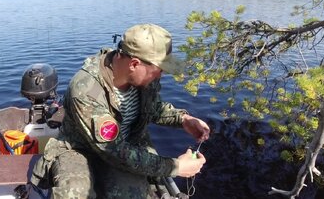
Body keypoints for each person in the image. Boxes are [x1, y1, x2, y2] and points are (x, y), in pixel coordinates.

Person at [31, 23, 210, 198]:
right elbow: (115, 152)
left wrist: (183, 120)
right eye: (159, 70)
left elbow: (153, 108)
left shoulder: (144, 78)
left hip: (125, 147)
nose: (161, 75)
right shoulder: (86, 89)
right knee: (74, 192)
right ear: (134, 64)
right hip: (79, 149)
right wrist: (176, 166)